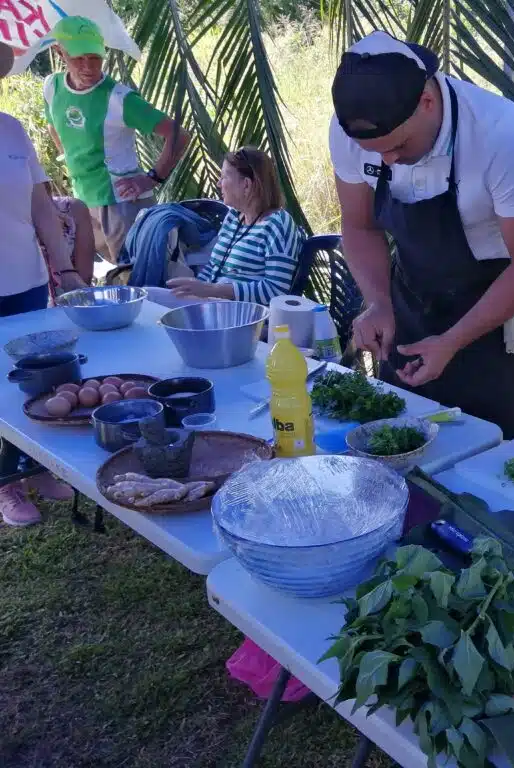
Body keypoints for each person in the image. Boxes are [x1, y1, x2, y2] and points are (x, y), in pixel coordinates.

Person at [329, 32, 514, 438]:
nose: (388, 160)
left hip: (495, 308)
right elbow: (360, 226)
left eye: (398, 145)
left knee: (488, 443)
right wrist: (379, 303)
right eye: (376, 153)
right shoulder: (350, 132)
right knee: (397, 436)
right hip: (408, 299)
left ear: (427, 102)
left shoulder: (502, 135)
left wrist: (452, 341)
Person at [0, 41, 88, 526]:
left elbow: (41, 208)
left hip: (28, 283)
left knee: (33, 381)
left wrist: (66, 269)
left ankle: (31, 467)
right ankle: (7, 487)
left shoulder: (11, 129)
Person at [42, 16, 189, 264]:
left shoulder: (119, 99)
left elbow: (179, 135)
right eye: (78, 58)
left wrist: (151, 178)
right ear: (59, 52)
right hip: (83, 201)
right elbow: (53, 126)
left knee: (137, 277)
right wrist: (71, 160)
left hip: (122, 205)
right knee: (107, 278)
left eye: (95, 57)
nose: (88, 67)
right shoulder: (52, 87)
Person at [163, 147, 303, 305]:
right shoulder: (234, 218)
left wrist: (212, 290)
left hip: (246, 315)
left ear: (246, 185)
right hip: (214, 307)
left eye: (224, 177)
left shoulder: (278, 224)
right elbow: (213, 266)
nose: (218, 184)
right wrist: (193, 291)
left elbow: (275, 291)